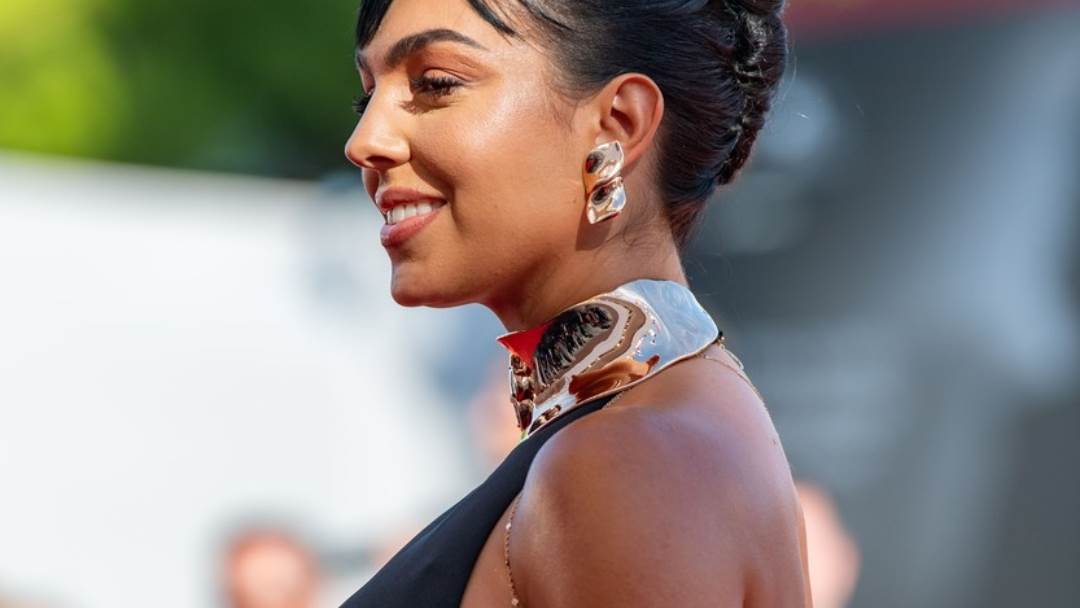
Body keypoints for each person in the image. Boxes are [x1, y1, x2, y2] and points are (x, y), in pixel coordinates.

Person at [341, 0, 809, 606]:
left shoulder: (629, 458)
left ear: (619, 123)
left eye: (435, 84)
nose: (364, 143)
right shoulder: (661, 426)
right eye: (367, 98)